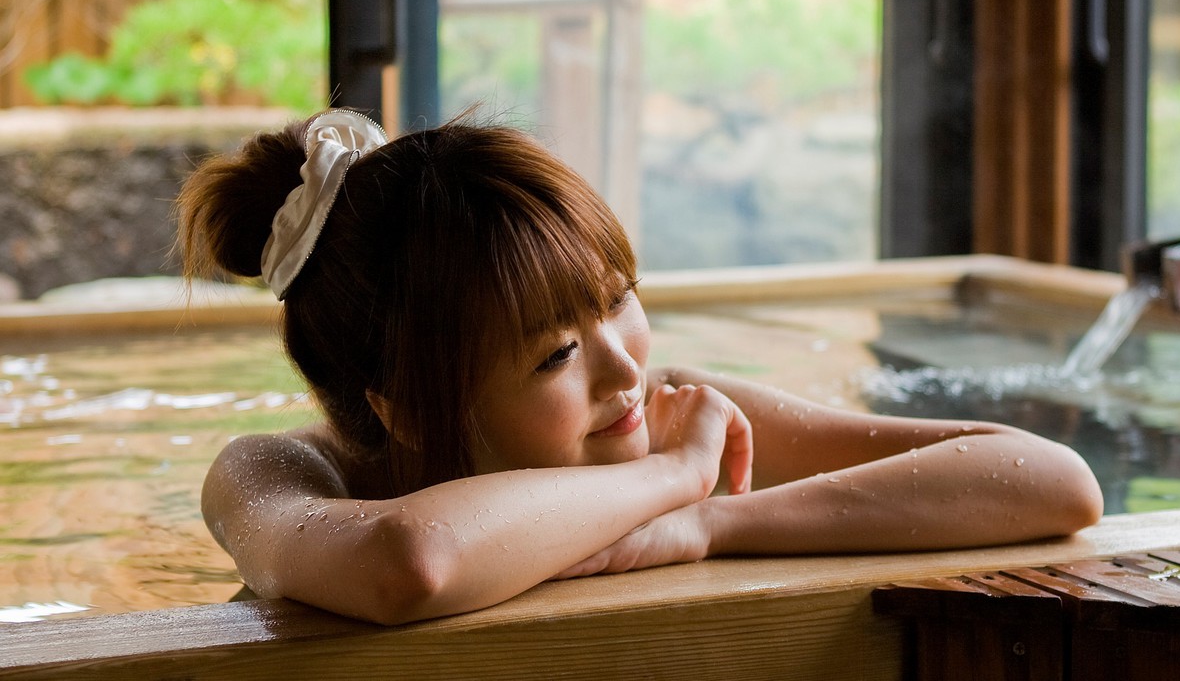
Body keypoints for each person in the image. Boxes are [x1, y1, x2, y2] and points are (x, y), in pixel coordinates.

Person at [179, 110, 1103, 625]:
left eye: (618, 297)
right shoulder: (273, 475)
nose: (623, 368)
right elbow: (414, 559)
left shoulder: (653, 405)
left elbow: (1053, 482)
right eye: (555, 353)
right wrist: (673, 478)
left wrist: (709, 524)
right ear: (406, 410)